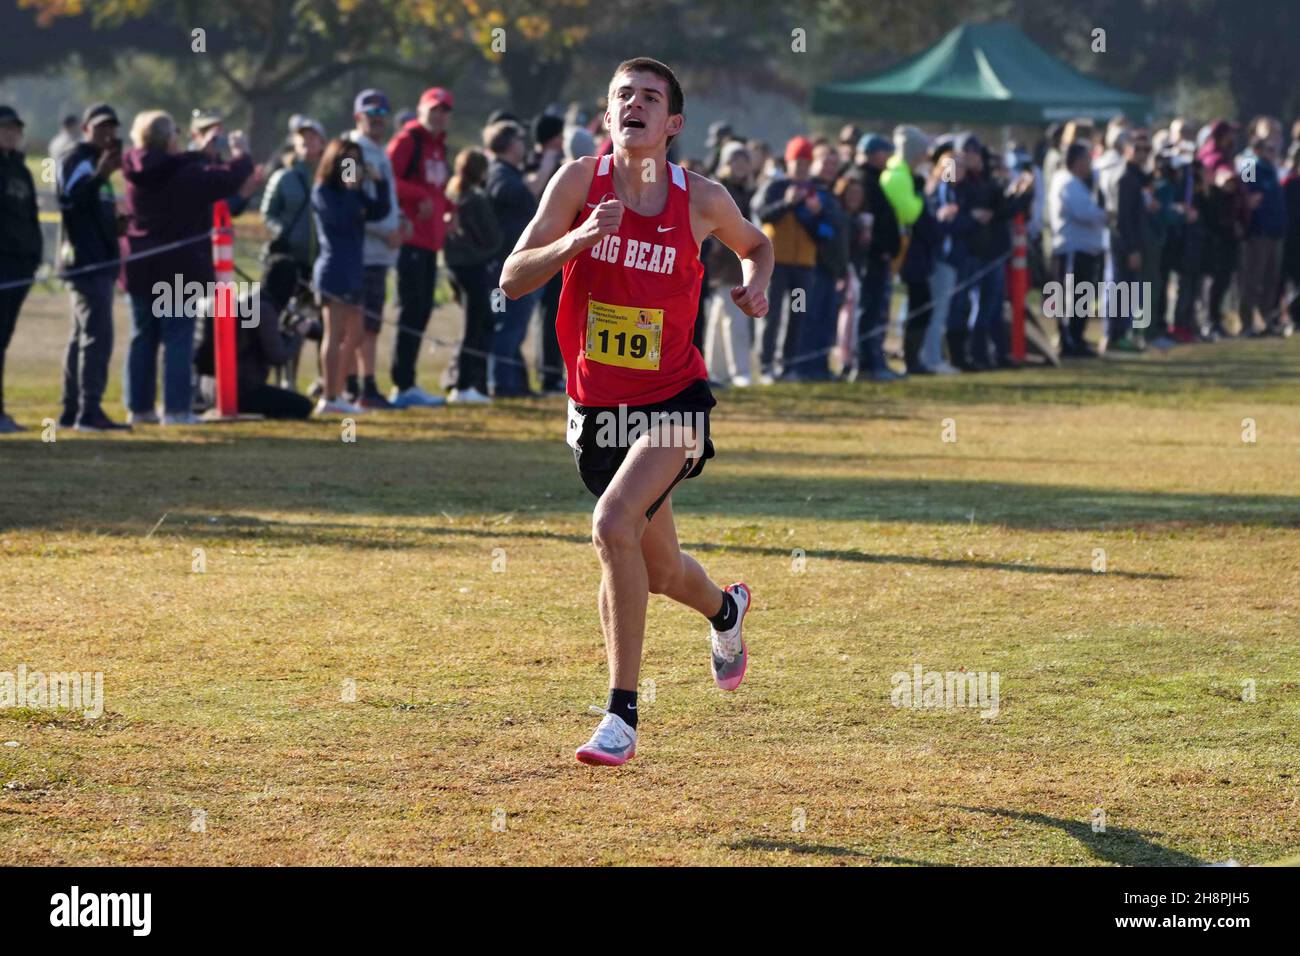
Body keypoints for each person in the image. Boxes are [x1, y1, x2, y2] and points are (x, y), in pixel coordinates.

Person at [500, 57, 772, 766]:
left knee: (611, 525)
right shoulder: (576, 183)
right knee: (656, 570)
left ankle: (621, 715)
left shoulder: (700, 198)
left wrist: (755, 285)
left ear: (673, 123)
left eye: (651, 97)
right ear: (608, 111)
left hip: (675, 400)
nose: (635, 104)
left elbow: (756, 244)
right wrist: (577, 240)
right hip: (597, 409)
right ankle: (726, 610)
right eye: (624, 94)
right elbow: (511, 278)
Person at [121, 110, 254, 425]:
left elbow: (174, 165)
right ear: (168, 139)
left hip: (139, 266)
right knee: (178, 339)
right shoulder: (184, 174)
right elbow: (226, 180)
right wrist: (241, 154)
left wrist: (199, 154)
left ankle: (139, 409)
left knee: (143, 338)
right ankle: (177, 410)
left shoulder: (136, 168)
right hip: (176, 271)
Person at [56, 102, 130, 431]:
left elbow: (92, 210)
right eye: (101, 127)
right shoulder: (77, 159)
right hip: (86, 264)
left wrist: (116, 226)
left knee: (81, 337)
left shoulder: (100, 165)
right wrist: (100, 174)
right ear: (87, 129)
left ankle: (72, 411)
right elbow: (70, 203)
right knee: (97, 337)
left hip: (99, 261)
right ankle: (90, 412)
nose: (108, 133)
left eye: (112, 128)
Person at [310, 137, 391, 416]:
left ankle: (339, 390)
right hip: (334, 271)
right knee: (334, 334)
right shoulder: (324, 191)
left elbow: (380, 211)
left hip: (354, 271)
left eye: (357, 163)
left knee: (356, 333)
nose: (354, 168)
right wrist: (352, 189)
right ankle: (328, 395)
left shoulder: (354, 193)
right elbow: (340, 220)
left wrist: (379, 182)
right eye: (348, 162)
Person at [386, 86, 453, 407]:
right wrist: (419, 197)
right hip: (410, 240)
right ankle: (401, 384)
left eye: (444, 110)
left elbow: (438, 189)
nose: (439, 115)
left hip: (429, 242)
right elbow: (387, 179)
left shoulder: (439, 148)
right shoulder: (408, 141)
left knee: (422, 310)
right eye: (434, 108)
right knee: (411, 311)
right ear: (421, 108)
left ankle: (408, 382)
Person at [194, 255, 314, 419]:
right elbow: (278, 357)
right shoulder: (264, 309)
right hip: (239, 391)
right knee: (303, 405)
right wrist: (298, 334)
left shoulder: (247, 299)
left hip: (211, 389)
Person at [751, 135, 827, 383]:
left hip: (803, 266)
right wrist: (787, 203)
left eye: (806, 163)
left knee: (797, 315)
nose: (802, 168)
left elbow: (823, 233)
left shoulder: (815, 191)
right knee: (771, 315)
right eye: (798, 162)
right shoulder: (775, 187)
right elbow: (763, 215)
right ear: (789, 162)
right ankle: (766, 365)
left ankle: (788, 366)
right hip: (776, 263)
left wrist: (817, 215)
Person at [345, 89, 404, 408]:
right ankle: (360, 385)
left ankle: (361, 383)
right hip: (362, 252)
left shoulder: (379, 151)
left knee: (371, 323)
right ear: (358, 117)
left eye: (382, 116)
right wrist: (385, 232)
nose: (378, 121)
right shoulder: (352, 152)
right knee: (362, 324)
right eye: (371, 115)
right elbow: (347, 204)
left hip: (379, 253)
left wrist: (401, 221)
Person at [484, 119, 540, 397]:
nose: (523, 145)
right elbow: (513, 195)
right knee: (506, 324)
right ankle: (501, 384)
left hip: (510, 266)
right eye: (518, 139)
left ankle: (515, 382)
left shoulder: (509, 172)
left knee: (514, 327)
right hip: (501, 269)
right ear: (506, 143)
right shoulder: (499, 173)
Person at [441, 147, 500, 403]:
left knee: (473, 324)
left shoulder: (454, 195)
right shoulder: (476, 199)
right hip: (474, 268)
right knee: (474, 326)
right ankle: (465, 385)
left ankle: (464, 382)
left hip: (456, 267)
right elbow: (493, 238)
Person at [0, 105, 42, 434]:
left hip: (20, 266)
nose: (11, 133)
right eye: (5, 128)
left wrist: (33, 257)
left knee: (3, 339)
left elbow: (29, 216)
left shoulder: (21, 170)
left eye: (15, 128)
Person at [702, 141, 755, 386]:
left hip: (733, 263)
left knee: (721, 316)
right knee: (734, 319)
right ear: (726, 163)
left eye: (744, 160)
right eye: (735, 160)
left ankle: (717, 370)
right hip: (725, 263)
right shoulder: (722, 190)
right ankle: (739, 371)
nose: (741, 165)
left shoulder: (747, 190)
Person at [1048, 142, 1108, 356]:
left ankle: (1077, 338)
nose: (1089, 165)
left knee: (1082, 297)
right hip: (1072, 248)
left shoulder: (1077, 182)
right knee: (1072, 297)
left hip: (1084, 249)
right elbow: (1085, 212)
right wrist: (1106, 216)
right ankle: (1068, 341)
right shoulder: (1067, 182)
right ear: (1076, 161)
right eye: (1085, 160)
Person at [853, 132, 903, 381]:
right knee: (870, 311)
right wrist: (880, 249)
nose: (888, 157)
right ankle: (868, 363)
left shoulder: (873, 179)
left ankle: (875, 360)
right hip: (872, 259)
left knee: (877, 311)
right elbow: (868, 225)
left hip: (879, 257)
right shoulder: (865, 181)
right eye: (885, 152)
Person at [261, 116, 324, 279]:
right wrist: (280, 230)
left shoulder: (332, 178)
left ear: (322, 143)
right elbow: (268, 214)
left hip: (323, 260)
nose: (307, 140)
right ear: (294, 143)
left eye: (313, 137)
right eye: (302, 137)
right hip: (290, 258)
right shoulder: (283, 177)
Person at [1237, 135, 1287, 336]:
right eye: (1268, 148)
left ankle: (1266, 321)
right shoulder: (1249, 163)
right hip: (1257, 232)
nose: (1272, 153)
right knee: (1251, 279)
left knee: (1270, 280)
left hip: (1274, 231)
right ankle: (1246, 323)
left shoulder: (1271, 169)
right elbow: (1246, 195)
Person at [1110, 129, 1154, 352]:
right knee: (1123, 290)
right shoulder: (1125, 178)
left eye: (1147, 149)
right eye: (1138, 148)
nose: (1143, 153)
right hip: (1126, 244)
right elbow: (1123, 218)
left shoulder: (1138, 177)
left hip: (1136, 242)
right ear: (1126, 149)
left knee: (1132, 291)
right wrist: (1132, 249)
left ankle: (1126, 332)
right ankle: (1116, 335)